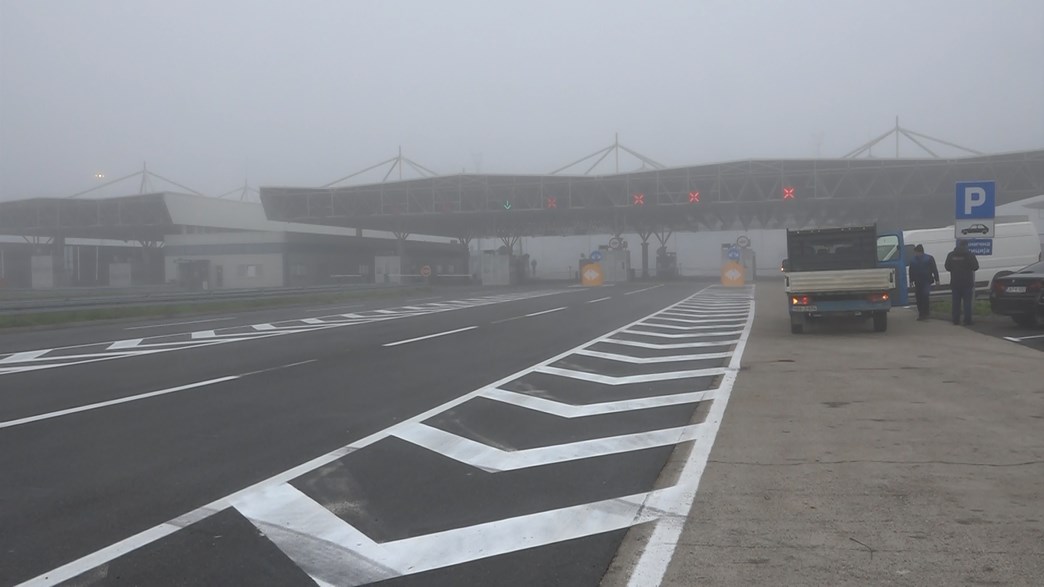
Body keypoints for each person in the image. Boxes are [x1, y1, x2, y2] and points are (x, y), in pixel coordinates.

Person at [944, 240, 979, 325]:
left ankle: (955, 320)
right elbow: (975, 267)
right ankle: (967, 320)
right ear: (966, 245)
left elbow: (947, 267)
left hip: (955, 282)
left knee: (955, 303)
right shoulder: (970, 255)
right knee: (967, 303)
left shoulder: (951, 255)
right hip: (967, 282)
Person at [907, 244, 939, 320]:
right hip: (920, 281)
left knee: (924, 296)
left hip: (925, 281)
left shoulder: (927, 258)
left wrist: (937, 279)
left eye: (916, 252)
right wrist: (911, 281)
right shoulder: (918, 259)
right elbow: (911, 271)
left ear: (919, 251)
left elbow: (934, 269)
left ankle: (925, 313)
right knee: (919, 298)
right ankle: (922, 313)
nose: (915, 254)